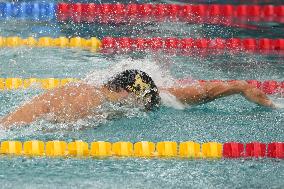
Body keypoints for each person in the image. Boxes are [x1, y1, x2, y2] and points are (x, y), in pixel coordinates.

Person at [0, 69, 275, 129]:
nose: (141, 109)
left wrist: (238, 87)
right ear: (126, 93)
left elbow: (200, 93)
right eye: (140, 103)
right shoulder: (86, 102)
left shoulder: (154, 93)